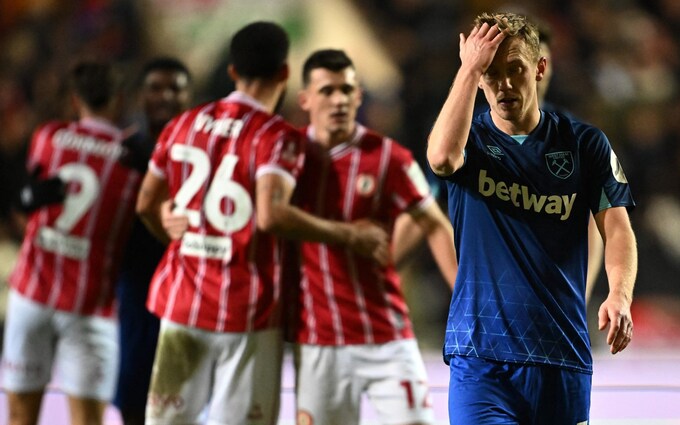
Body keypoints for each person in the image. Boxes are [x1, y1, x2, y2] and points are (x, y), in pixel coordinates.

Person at [136, 22, 388, 424]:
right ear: (285, 73)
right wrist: (347, 234)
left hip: (182, 303)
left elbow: (147, 202)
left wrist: (172, 233)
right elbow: (272, 214)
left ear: (232, 71)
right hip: (247, 310)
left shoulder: (183, 124)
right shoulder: (277, 136)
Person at [426, 12, 637, 425]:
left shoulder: (584, 144)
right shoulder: (469, 140)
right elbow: (440, 159)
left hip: (560, 351)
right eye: (491, 72)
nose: (503, 85)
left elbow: (617, 228)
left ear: (540, 68)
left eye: (515, 70)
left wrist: (620, 294)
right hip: (480, 352)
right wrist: (470, 68)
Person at [290, 49, 457, 425]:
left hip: (386, 335)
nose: (339, 100)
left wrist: (462, 304)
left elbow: (433, 222)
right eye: (327, 91)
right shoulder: (287, 158)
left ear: (359, 96)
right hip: (320, 341)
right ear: (305, 99)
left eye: (347, 90)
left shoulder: (389, 158)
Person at [1, 60, 143, 425]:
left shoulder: (48, 136)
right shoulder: (131, 160)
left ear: (75, 100)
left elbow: (27, 210)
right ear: (120, 99)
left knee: (20, 417)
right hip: (90, 305)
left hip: (32, 295)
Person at [113, 57, 192, 425]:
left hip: (188, 285)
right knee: (133, 387)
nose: (166, 96)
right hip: (137, 283)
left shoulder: (202, 151)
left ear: (189, 95)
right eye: (156, 88)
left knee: (182, 397)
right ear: (140, 96)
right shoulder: (123, 151)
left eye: (175, 88)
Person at [535, 23, 604, 304]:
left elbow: (599, 219)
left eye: (544, 60)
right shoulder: (469, 131)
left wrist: (581, 294)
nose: (539, 70)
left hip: (555, 288)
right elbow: (435, 211)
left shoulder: (576, 136)